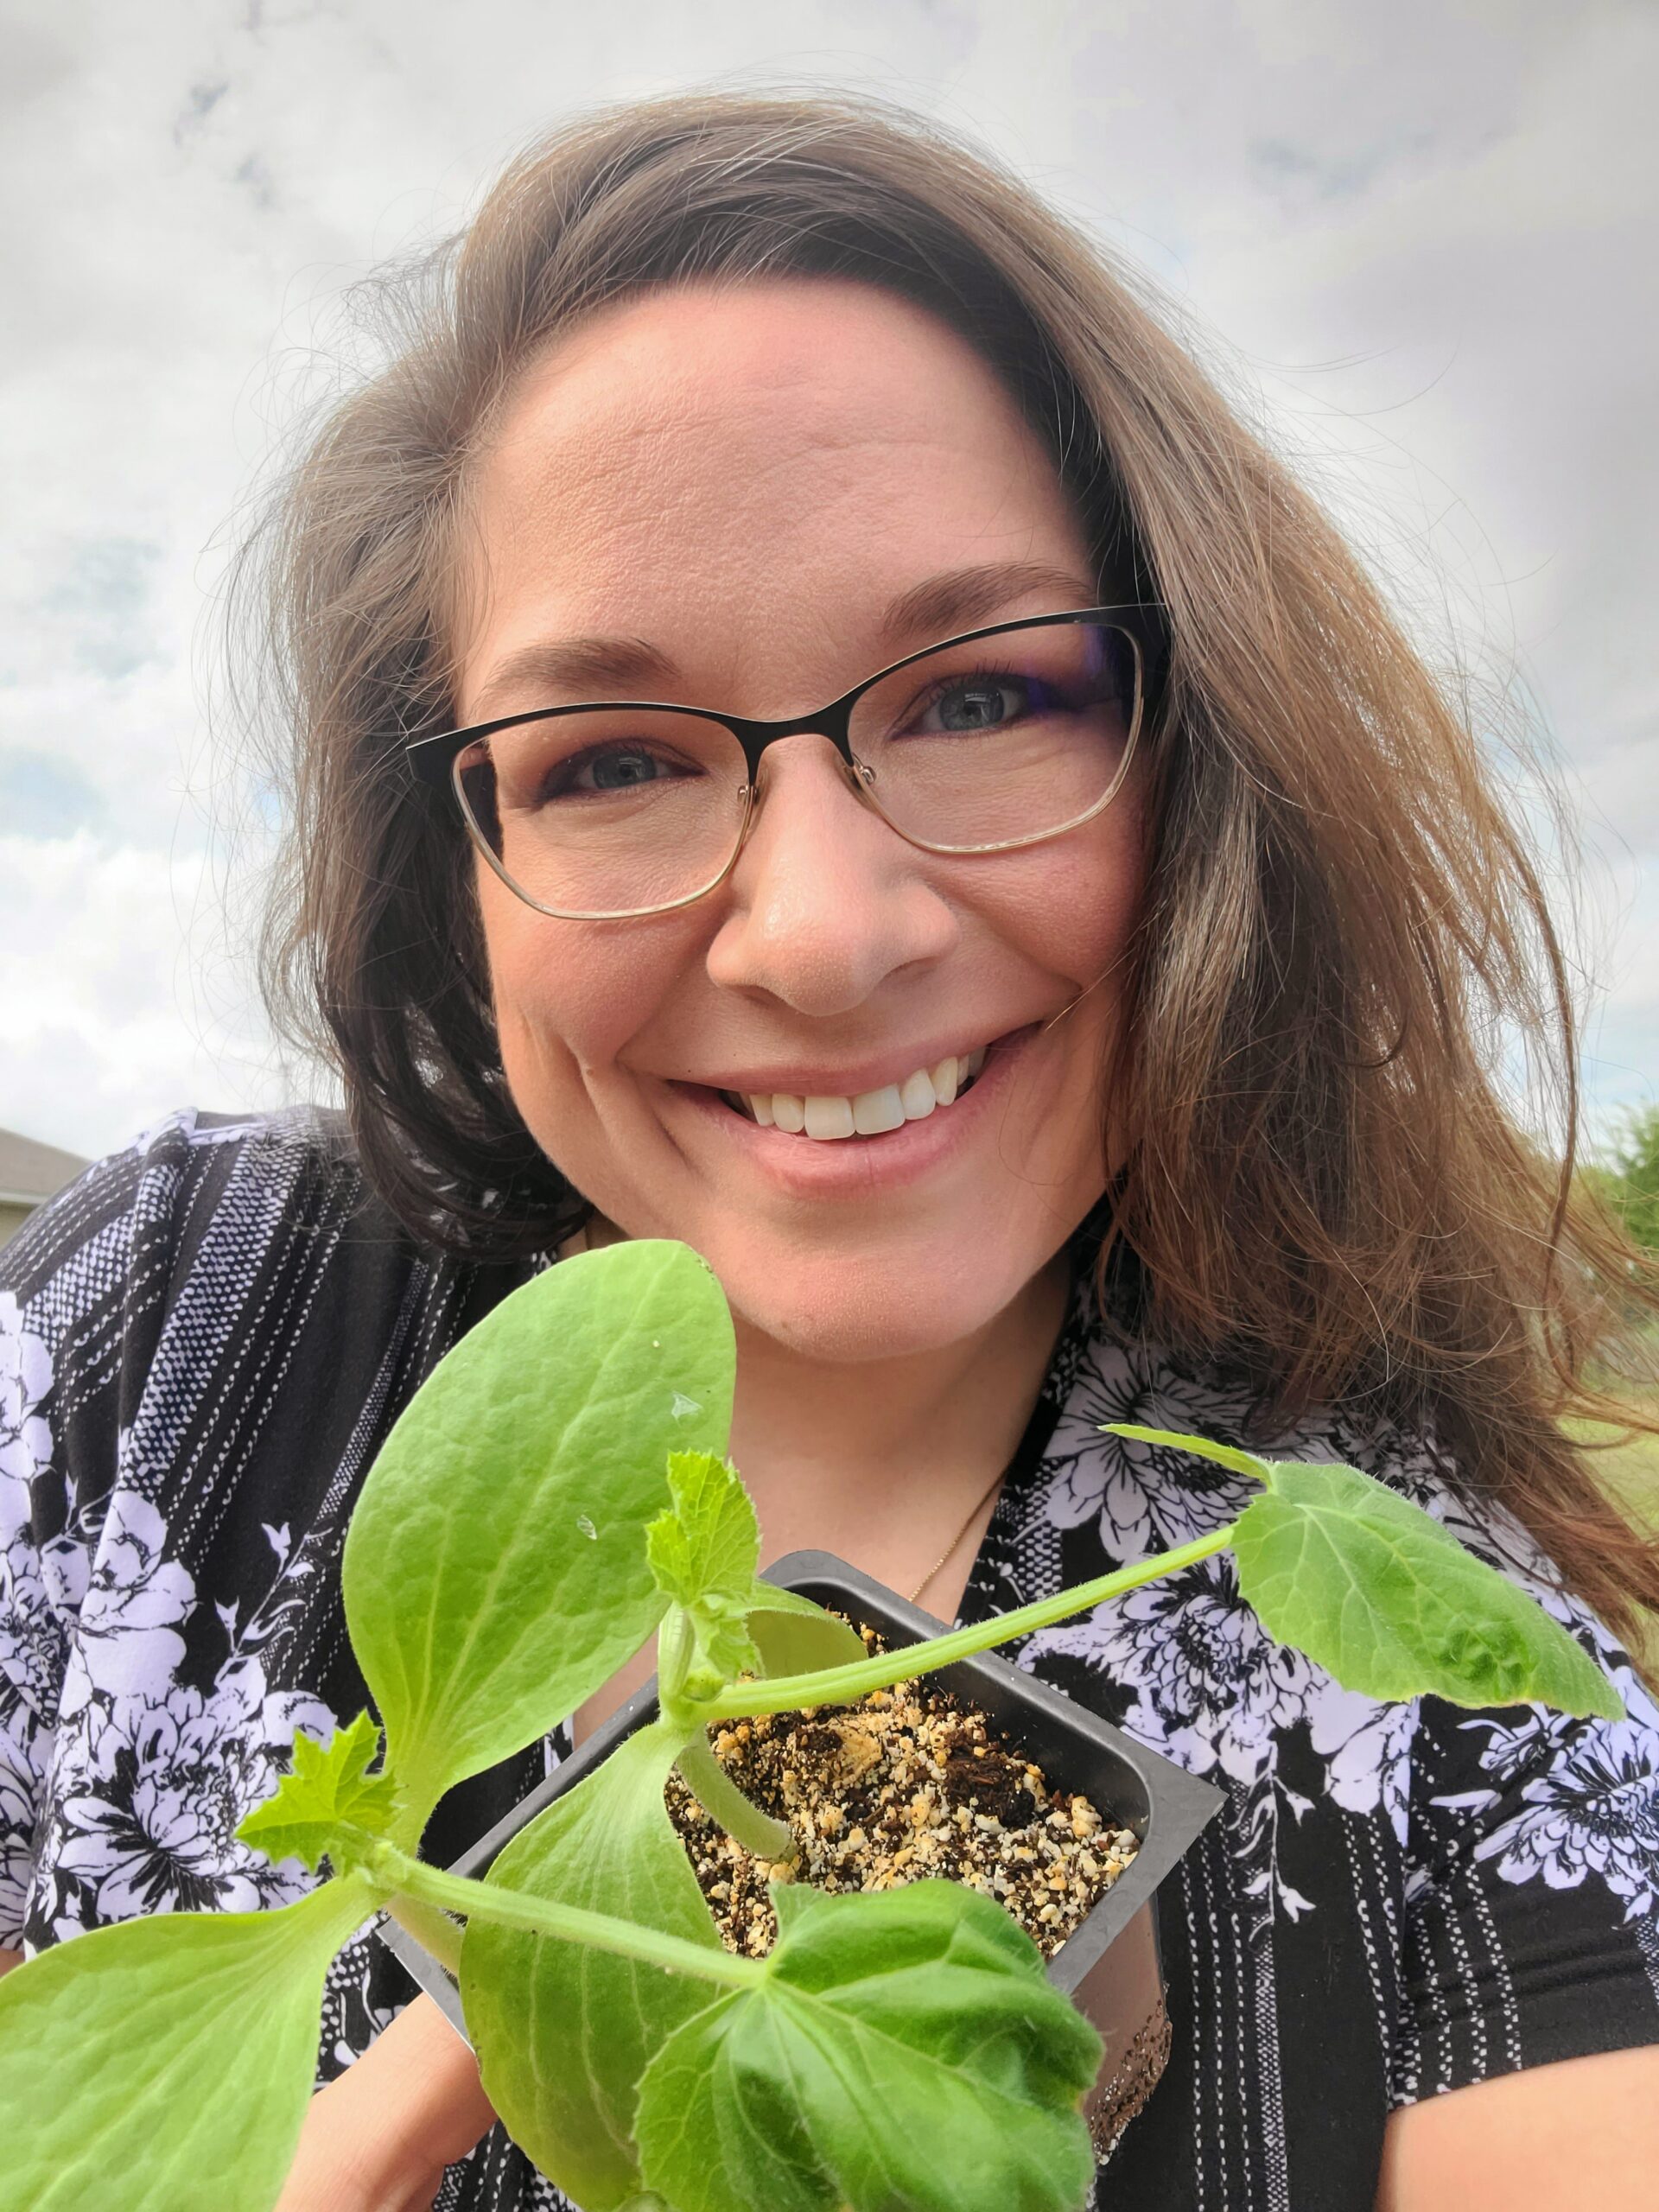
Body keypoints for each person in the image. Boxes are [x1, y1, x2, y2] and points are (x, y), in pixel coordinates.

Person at [3, 89, 1657, 2212]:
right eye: (607, 756)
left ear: (1206, 761)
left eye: (981, 699)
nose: (819, 933)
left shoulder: (1425, 1693)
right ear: (459, 877)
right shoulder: (170, 1329)